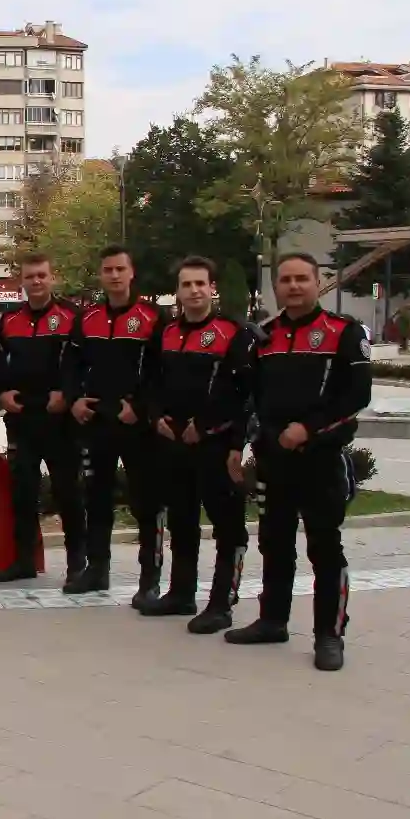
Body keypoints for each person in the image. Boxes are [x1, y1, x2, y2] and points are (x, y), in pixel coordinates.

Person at [228, 254, 371, 671]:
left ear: (317, 282)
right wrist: (240, 444)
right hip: (273, 460)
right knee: (274, 544)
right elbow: (248, 396)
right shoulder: (263, 337)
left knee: (325, 549)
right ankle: (273, 620)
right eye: (286, 280)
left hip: (321, 458)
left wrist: (309, 429)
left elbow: (356, 396)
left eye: (301, 279)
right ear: (277, 288)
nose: (293, 286)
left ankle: (330, 634)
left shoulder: (343, 332)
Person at [144, 256, 251, 627]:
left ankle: (221, 603)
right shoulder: (166, 333)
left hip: (215, 444)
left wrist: (207, 427)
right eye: (186, 285)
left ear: (212, 288)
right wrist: (156, 416)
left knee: (228, 526)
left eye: (200, 284)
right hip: (173, 443)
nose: (193, 291)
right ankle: (180, 593)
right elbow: (151, 382)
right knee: (182, 521)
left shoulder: (233, 333)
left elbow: (243, 395)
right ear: (177, 291)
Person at [70, 245, 165, 603]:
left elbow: (162, 371)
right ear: (101, 275)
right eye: (107, 269)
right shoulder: (87, 318)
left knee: (146, 503)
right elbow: (73, 365)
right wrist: (75, 397)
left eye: (119, 269)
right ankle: (97, 570)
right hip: (97, 422)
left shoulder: (154, 317)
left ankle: (149, 580)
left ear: (131, 273)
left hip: (136, 426)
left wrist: (140, 407)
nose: (114, 275)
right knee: (96, 499)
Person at [0, 253, 85, 584]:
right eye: (30, 276)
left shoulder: (72, 317)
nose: (36, 281)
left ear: (52, 277)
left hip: (60, 420)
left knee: (67, 492)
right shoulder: (8, 321)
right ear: (21, 281)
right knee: (23, 492)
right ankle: (23, 561)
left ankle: (78, 562)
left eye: (41, 275)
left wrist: (68, 395)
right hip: (22, 419)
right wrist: (0, 394)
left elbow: (83, 364)